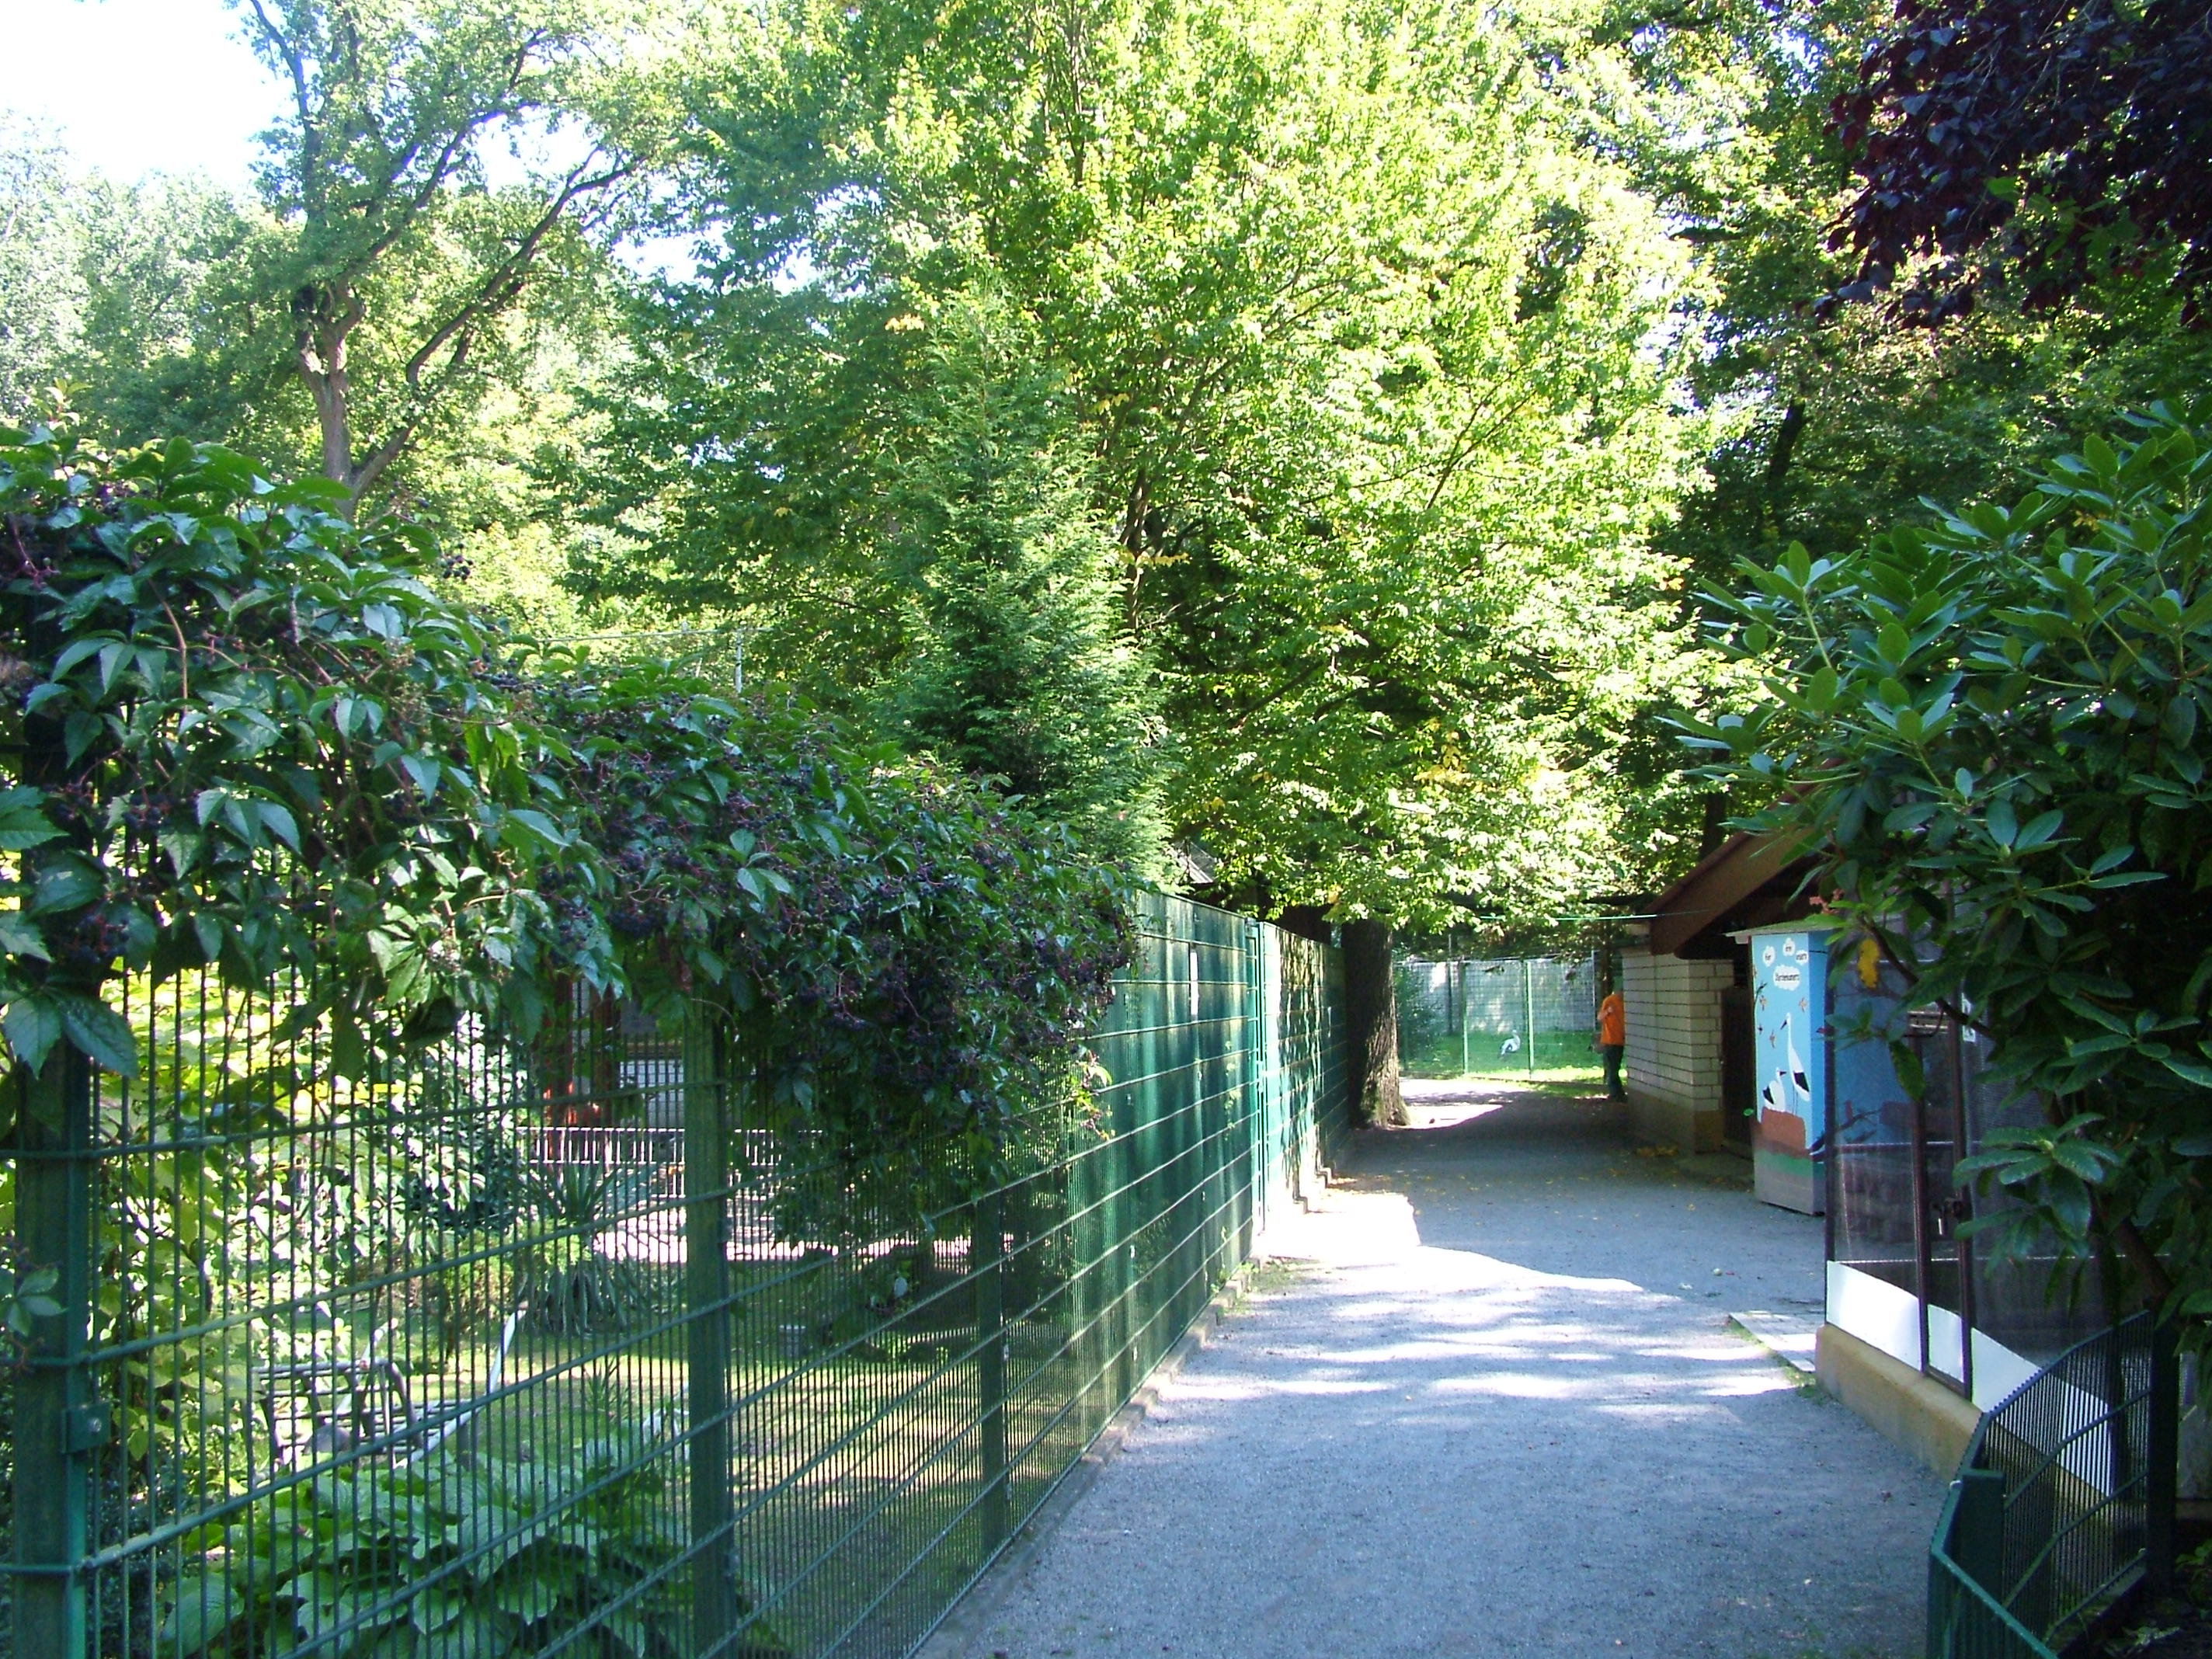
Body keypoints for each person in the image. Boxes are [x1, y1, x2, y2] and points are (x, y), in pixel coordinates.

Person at [1598, 983, 1626, 1101]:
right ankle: (1616, 1093)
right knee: (1612, 1067)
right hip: (1610, 1040)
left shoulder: (1625, 1003)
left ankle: (1616, 1092)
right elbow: (1600, 1017)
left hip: (1620, 1039)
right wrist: (1608, 1011)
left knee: (1615, 1066)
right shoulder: (1610, 1000)